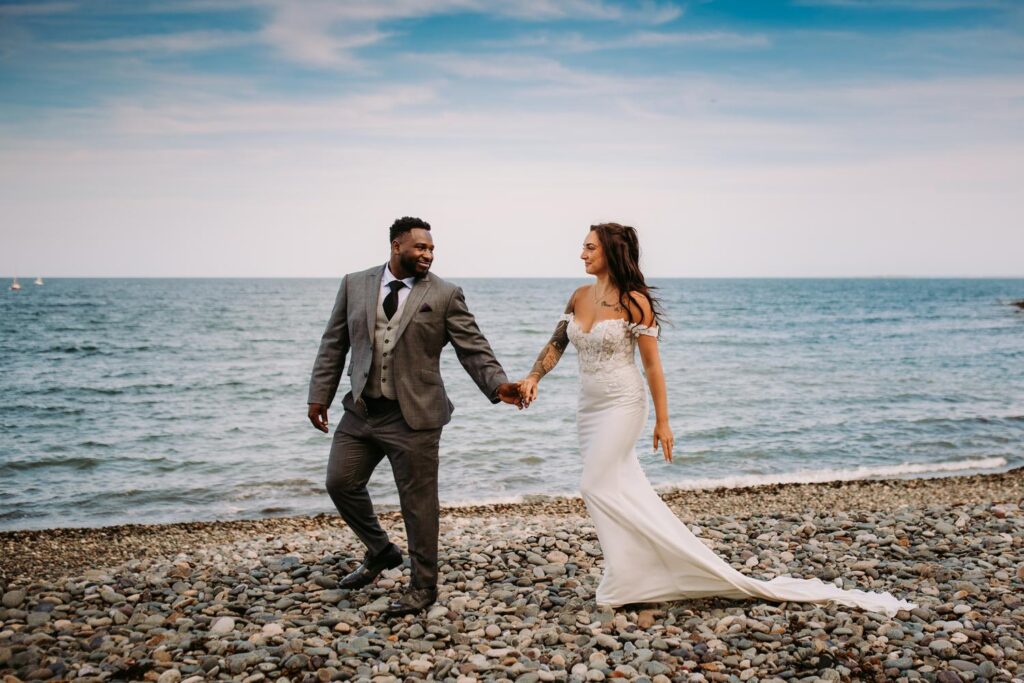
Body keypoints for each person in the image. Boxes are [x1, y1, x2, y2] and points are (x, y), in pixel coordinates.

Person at [518, 222, 916, 616]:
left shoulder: (634, 301)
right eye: (582, 247)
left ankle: (628, 576)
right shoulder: (578, 297)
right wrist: (534, 377)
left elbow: (653, 367)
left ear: (610, 252)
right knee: (620, 488)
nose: (582, 254)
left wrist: (663, 421)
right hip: (588, 410)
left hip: (624, 405)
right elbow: (557, 343)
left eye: (590, 248)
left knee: (594, 485)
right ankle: (635, 573)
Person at [307, 216, 523, 617]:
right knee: (340, 482)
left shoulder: (444, 293)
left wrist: (498, 385)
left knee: (418, 505)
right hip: (361, 411)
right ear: (396, 246)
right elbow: (334, 343)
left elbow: (472, 348)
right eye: (420, 247)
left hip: (416, 416)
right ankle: (381, 551)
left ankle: (423, 586)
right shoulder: (355, 284)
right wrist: (319, 395)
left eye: (431, 249)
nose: (428, 254)